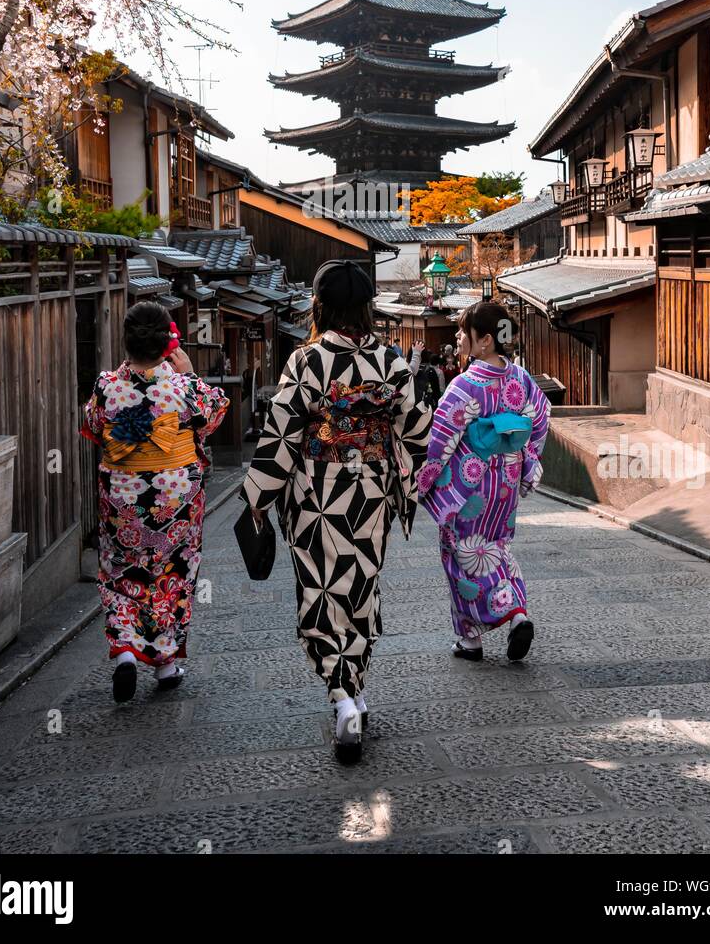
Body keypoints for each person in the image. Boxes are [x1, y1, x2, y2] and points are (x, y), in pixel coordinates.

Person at [240, 259, 431, 763]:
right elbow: (416, 430)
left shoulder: (306, 362)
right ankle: (356, 688)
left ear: (319, 306)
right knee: (361, 584)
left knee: (320, 590)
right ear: (367, 307)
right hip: (368, 493)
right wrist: (402, 474)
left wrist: (258, 494)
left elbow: (281, 432)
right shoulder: (391, 362)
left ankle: (342, 695)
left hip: (315, 495)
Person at [82, 301, 229, 702]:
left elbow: (94, 426)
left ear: (126, 341)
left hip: (122, 495)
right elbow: (214, 414)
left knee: (121, 570)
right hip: (174, 497)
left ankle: (126, 651)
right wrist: (187, 373)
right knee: (171, 573)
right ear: (168, 344)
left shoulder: (106, 385)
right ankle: (165, 663)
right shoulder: (184, 387)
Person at [416, 301, 550, 664]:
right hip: (505, 482)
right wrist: (528, 459)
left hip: (468, 485)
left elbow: (441, 440)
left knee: (462, 553)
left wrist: (421, 483)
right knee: (497, 547)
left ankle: (472, 638)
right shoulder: (521, 378)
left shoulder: (466, 385)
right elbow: (540, 417)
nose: (458, 336)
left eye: (464, 331)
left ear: (486, 340)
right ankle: (517, 613)